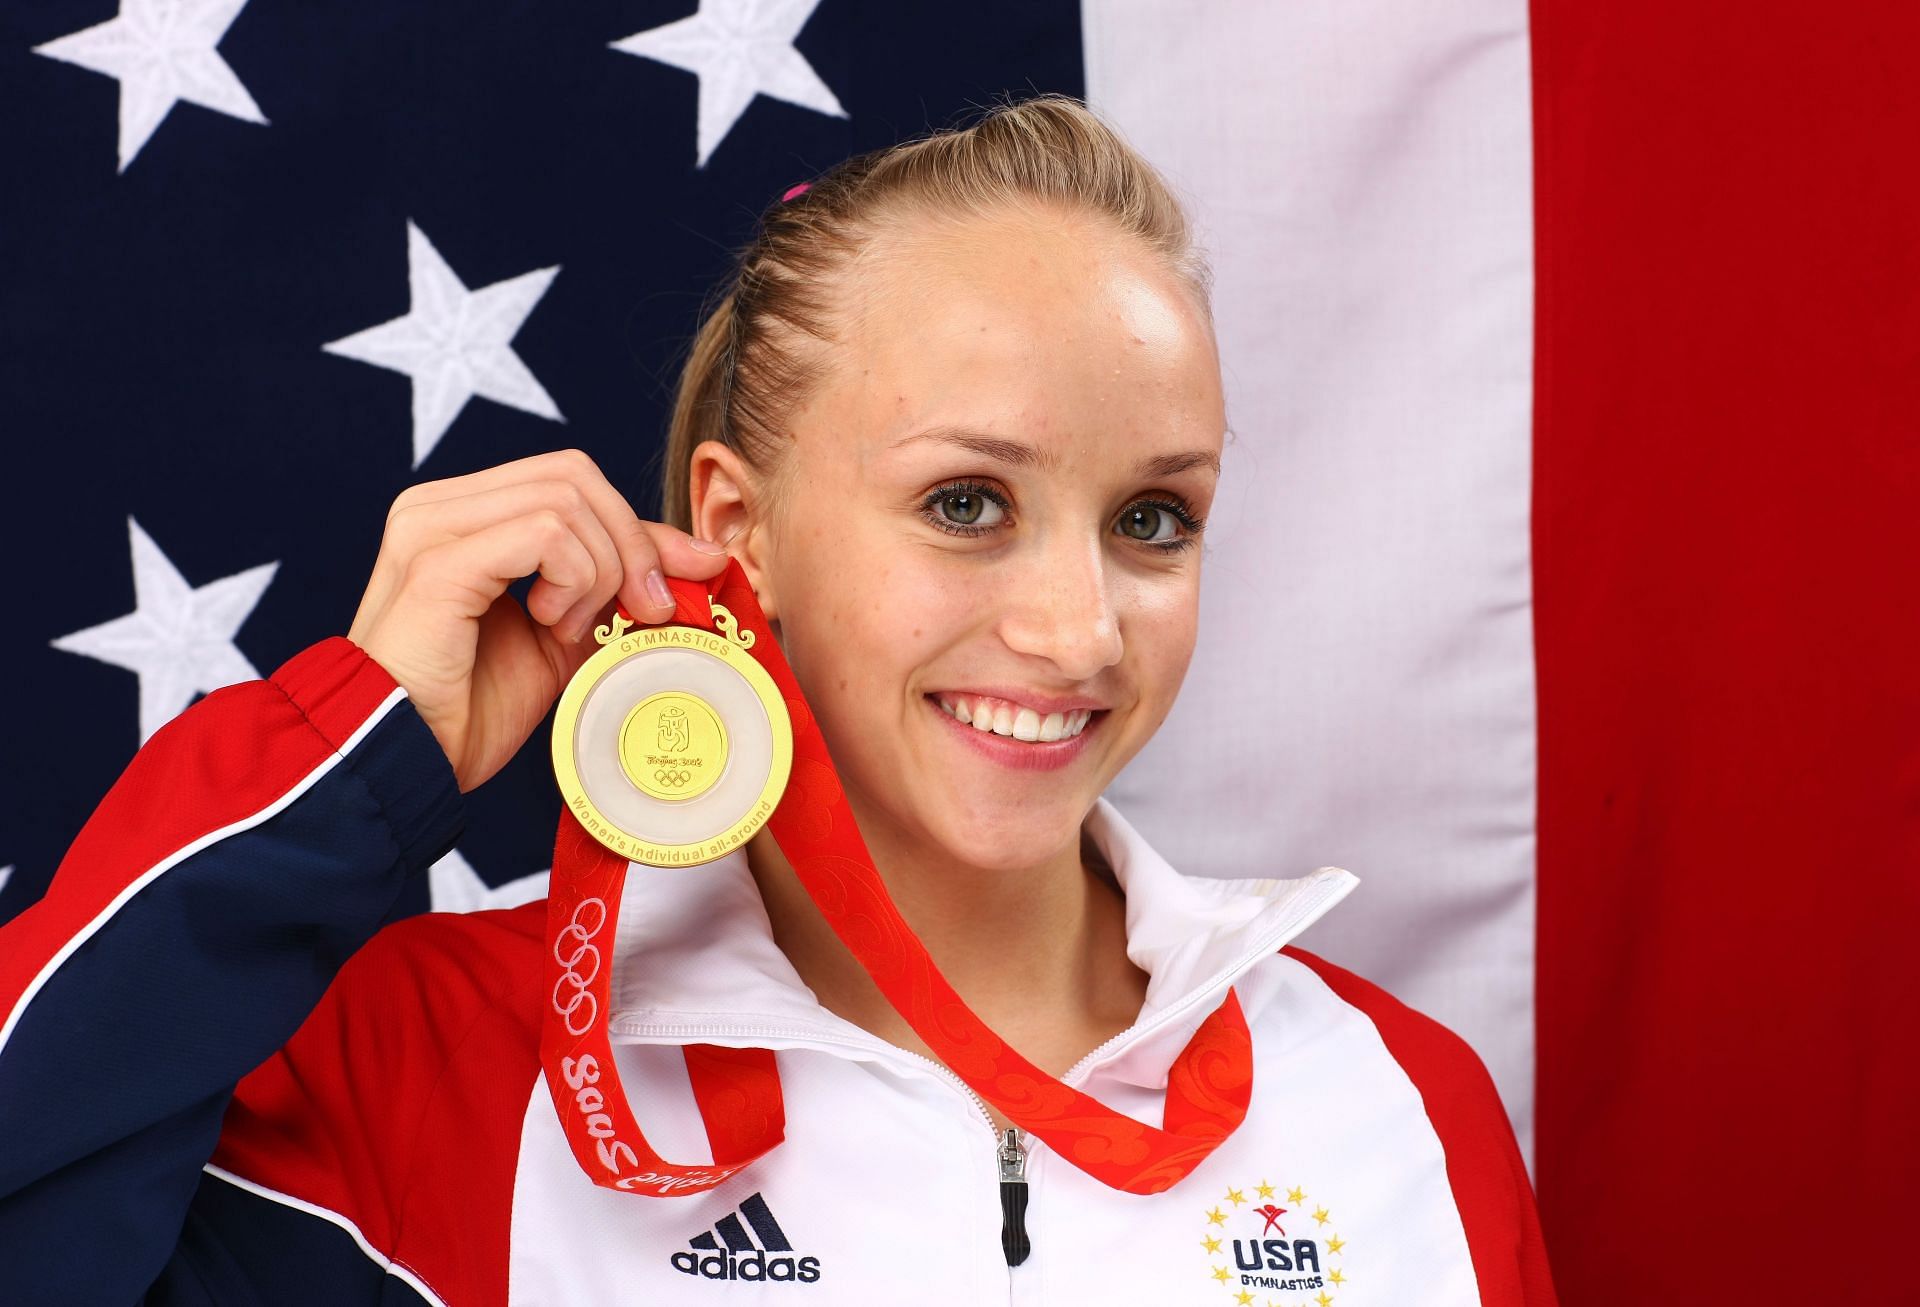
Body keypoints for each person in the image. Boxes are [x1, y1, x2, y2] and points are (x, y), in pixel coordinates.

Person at [0, 95, 1555, 1304]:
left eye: (1154, 519)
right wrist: (351, 764)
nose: (1079, 631)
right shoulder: (434, 1071)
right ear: (738, 528)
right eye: (967, 503)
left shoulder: (1392, 1101)